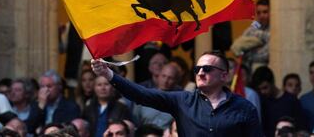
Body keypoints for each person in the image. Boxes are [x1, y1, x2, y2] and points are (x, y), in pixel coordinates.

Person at [91, 51, 261, 136]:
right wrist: (108, 74)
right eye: (197, 69)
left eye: (207, 69)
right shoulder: (183, 100)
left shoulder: (244, 108)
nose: (200, 73)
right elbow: (142, 94)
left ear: (224, 75)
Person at [252, 66, 306, 137]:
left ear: (272, 82)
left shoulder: (291, 101)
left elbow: (301, 128)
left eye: (265, 87)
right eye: (259, 89)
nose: (263, 92)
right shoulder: (261, 101)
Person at [133, 64, 181, 130]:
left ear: (176, 81)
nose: (166, 81)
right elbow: (135, 122)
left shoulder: (179, 101)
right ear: (158, 76)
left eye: (170, 78)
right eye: (163, 76)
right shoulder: (145, 96)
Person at [241, 0, 270, 69]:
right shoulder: (257, 23)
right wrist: (264, 36)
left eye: (265, 12)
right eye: (258, 13)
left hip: (264, 66)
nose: (261, 15)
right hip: (248, 64)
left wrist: (249, 54)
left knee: (257, 65)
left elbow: (265, 55)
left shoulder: (274, 27)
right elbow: (244, 37)